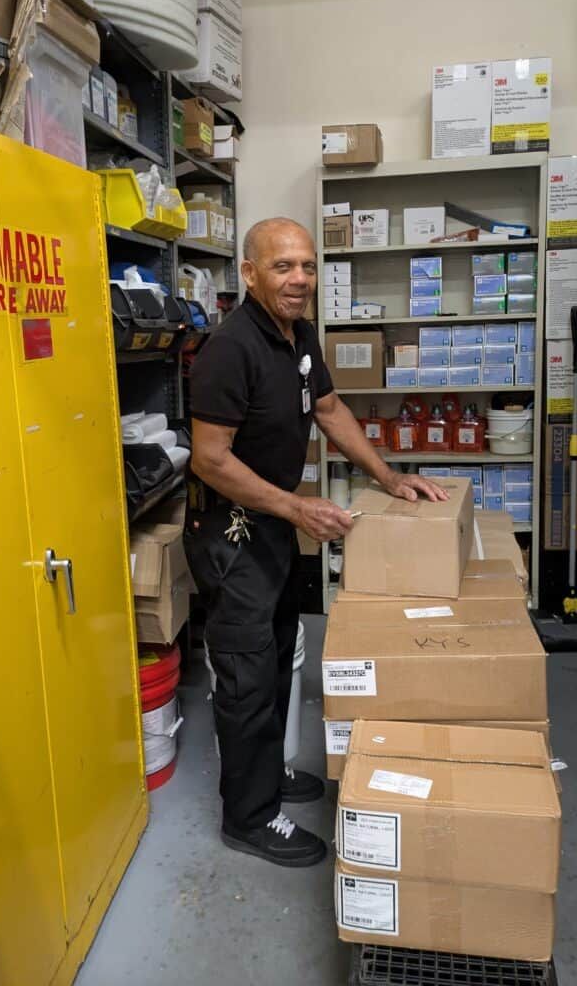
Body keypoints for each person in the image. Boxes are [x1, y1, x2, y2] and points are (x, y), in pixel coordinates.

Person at [183, 217, 448, 868]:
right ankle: (249, 818)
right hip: (233, 532)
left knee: (276, 660)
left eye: (306, 265)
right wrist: (297, 506)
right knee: (246, 677)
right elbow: (210, 459)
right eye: (282, 267)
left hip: (272, 526)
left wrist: (388, 475)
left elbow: (327, 410)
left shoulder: (298, 336)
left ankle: (266, 780)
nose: (298, 278)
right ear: (249, 274)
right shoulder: (230, 349)